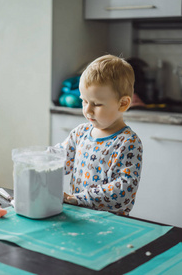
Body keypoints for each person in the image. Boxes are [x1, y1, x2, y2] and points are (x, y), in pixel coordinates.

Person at [52, 54, 143, 215]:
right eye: (84, 101)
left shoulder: (128, 142)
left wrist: (79, 199)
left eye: (96, 104)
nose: (87, 110)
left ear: (123, 104)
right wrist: (35, 162)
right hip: (79, 216)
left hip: (111, 223)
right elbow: (58, 160)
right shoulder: (80, 133)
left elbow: (123, 190)